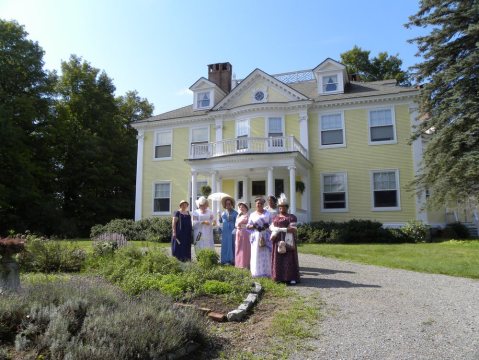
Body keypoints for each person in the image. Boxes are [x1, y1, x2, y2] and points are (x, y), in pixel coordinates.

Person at [270, 193, 300, 284]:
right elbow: (271, 226)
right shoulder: (275, 217)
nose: (281, 208)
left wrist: (281, 229)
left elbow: (293, 229)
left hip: (288, 239)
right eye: (280, 206)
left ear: (287, 207)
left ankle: (290, 277)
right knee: (278, 258)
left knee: (289, 258)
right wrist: (273, 228)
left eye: (283, 206)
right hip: (277, 239)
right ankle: (278, 277)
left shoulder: (291, 217)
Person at [247, 197, 273, 278]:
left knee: (266, 254)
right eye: (258, 203)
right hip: (256, 236)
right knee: (256, 253)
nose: (259, 205)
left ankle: (267, 272)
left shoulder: (268, 214)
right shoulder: (252, 214)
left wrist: (267, 226)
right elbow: (248, 226)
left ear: (263, 204)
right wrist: (254, 226)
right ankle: (256, 272)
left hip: (265, 235)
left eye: (261, 203)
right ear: (256, 204)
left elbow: (272, 224)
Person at [218, 197, 238, 265]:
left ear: (231, 204)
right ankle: (225, 260)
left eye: (229, 204)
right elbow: (221, 221)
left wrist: (235, 228)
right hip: (225, 230)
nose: (228, 205)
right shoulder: (223, 213)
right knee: (225, 244)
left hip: (232, 230)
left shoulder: (235, 213)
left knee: (232, 244)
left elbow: (237, 222)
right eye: (226, 204)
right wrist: (219, 217)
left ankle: (232, 260)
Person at [234, 201, 250, 269]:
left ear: (246, 208)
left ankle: (245, 264)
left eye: (243, 207)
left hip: (245, 232)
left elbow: (250, 224)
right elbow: (235, 224)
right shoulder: (239, 215)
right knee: (238, 247)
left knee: (244, 248)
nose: (241, 208)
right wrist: (237, 226)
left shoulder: (248, 215)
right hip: (238, 232)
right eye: (240, 207)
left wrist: (242, 225)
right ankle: (238, 263)